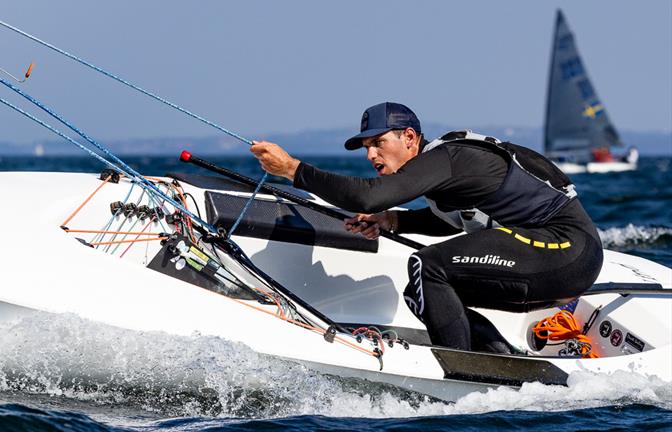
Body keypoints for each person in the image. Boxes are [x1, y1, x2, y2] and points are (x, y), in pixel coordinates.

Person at [250, 102, 604, 353]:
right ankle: (499, 363)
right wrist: (394, 220)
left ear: (409, 137)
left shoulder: (446, 158)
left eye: (378, 143)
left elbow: (369, 197)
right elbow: (451, 219)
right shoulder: (444, 175)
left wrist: (294, 169)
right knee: (424, 293)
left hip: (566, 250)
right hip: (555, 259)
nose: (371, 155)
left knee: (427, 266)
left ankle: (459, 370)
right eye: (365, 148)